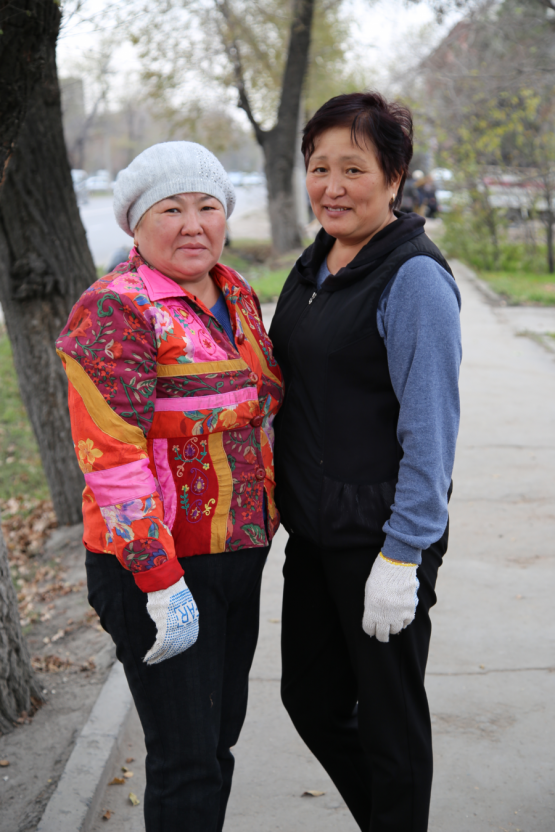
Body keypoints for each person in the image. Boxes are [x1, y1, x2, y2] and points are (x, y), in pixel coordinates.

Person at [56, 141, 283, 832]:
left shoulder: (232, 291)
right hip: (158, 570)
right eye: (171, 209)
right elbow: (113, 457)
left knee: (216, 741)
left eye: (207, 206)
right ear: (134, 223)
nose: (193, 224)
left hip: (237, 554)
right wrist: (158, 580)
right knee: (185, 757)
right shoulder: (117, 309)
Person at [269, 92, 462, 832]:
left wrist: (401, 556)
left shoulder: (411, 279)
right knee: (310, 702)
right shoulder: (315, 264)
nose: (332, 185)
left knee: (390, 730)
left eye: (354, 167)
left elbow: (431, 432)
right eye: (319, 167)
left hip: (381, 542)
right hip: (315, 535)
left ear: (395, 175)